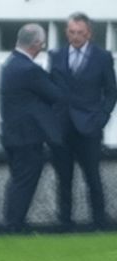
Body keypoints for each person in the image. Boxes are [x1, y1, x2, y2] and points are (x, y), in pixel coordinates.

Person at [48, 12, 117, 230]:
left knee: (92, 177)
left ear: (89, 34)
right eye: (71, 32)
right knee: (64, 178)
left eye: (80, 33)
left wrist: (102, 117)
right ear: (66, 32)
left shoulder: (102, 57)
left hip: (89, 126)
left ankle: (99, 220)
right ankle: (64, 221)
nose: (75, 37)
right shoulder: (56, 55)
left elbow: (111, 91)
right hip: (62, 126)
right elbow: (49, 88)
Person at [0, 24, 63, 233]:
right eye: (41, 44)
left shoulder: (10, 64)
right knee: (25, 181)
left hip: (13, 135)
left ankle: (13, 221)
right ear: (36, 44)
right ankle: (15, 224)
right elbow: (55, 94)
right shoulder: (29, 69)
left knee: (18, 180)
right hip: (27, 137)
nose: (42, 48)